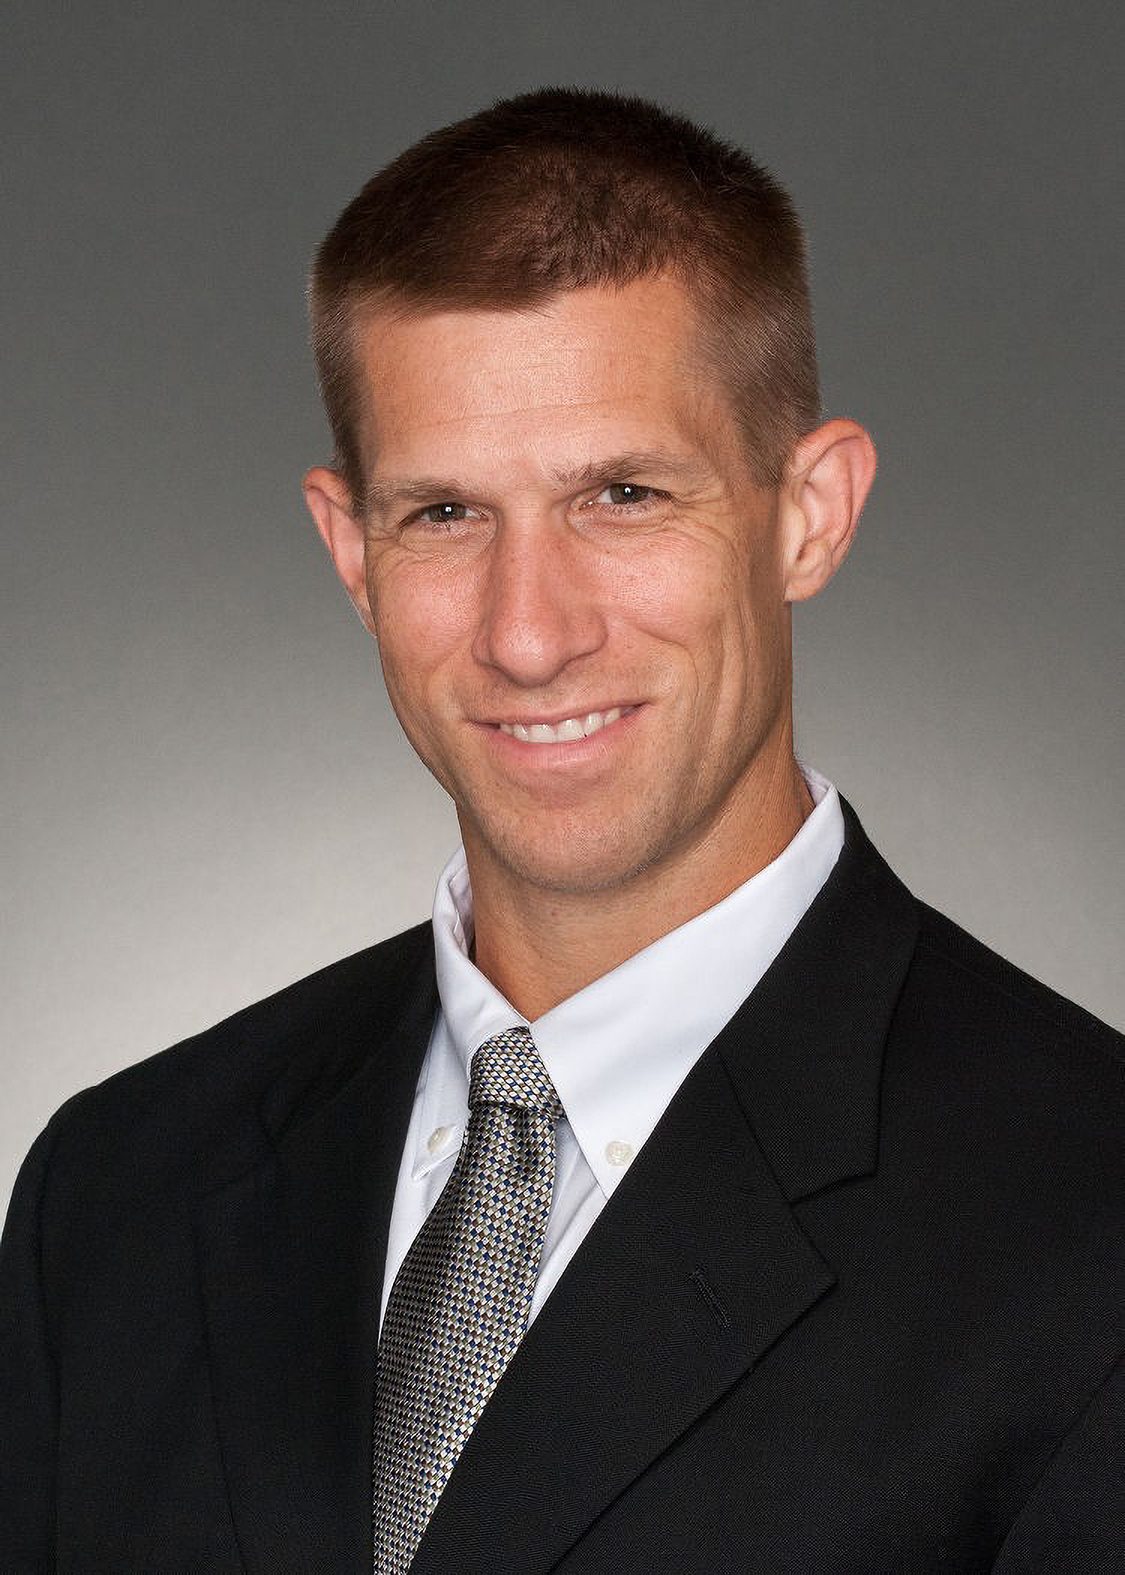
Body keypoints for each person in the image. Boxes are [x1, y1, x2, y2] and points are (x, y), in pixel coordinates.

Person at [1, 88, 1121, 1574]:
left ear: (810, 511)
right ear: (349, 549)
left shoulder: (1087, 1230)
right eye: (445, 516)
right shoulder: (117, 1189)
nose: (528, 636)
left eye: (623, 494)